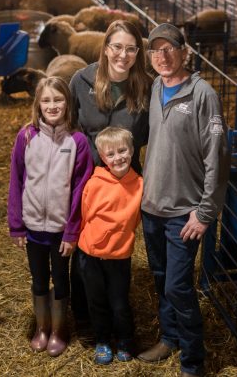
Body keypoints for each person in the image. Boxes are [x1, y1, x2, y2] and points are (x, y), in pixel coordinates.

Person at [137, 23, 230, 377]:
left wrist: (206, 213)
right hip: (152, 207)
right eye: (155, 50)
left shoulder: (203, 94)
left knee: (178, 285)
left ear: (184, 51)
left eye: (169, 48)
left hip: (184, 212)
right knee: (161, 279)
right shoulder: (155, 86)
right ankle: (169, 337)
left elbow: (217, 156)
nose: (162, 56)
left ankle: (193, 360)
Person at [69, 19, 153, 323]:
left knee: (117, 246)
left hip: (125, 184)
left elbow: (151, 135)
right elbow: (69, 127)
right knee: (83, 245)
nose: (123, 54)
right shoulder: (81, 80)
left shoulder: (147, 86)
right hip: (87, 180)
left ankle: (117, 314)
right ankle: (83, 316)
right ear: (106, 48)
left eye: (131, 49)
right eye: (117, 46)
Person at [7, 76, 93, 357]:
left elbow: (81, 189)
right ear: (38, 104)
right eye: (46, 100)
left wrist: (72, 231)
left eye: (58, 99)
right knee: (39, 278)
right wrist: (16, 225)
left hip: (60, 229)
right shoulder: (27, 137)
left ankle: (59, 329)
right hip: (32, 227)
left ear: (67, 103)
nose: (52, 105)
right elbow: (16, 180)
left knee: (61, 277)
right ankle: (42, 328)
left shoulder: (77, 141)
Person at [78, 126, 143, 365]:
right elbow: (85, 214)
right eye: (111, 154)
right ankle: (103, 340)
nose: (118, 157)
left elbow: (135, 219)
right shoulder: (95, 183)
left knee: (119, 302)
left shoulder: (139, 185)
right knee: (97, 301)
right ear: (103, 157)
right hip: (91, 254)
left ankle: (125, 341)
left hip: (119, 256)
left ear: (132, 150)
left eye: (123, 150)